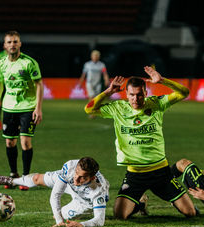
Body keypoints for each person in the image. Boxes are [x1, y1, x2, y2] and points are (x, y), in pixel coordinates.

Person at [84, 66, 197, 219]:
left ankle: (175, 192)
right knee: (120, 215)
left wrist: (163, 81)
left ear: (145, 92)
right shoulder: (118, 108)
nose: (135, 99)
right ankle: (140, 203)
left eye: (139, 95)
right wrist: (108, 91)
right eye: (131, 95)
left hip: (161, 172)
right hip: (135, 174)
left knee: (190, 212)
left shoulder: (157, 104)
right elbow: (89, 109)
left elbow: (184, 93)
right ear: (126, 94)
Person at [0, 30, 44, 191]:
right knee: (9, 142)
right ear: (4, 45)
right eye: (9, 42)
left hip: (28, 107)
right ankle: (13, 175)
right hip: (8, 108)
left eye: (15, 41)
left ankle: (26, 178)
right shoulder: (1, 64)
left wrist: (38, 108)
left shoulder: (29, 63)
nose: (12, 44)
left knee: (25, 142)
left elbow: (39, 84)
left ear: (20, 44)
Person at [0, 157, 109, 227]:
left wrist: (82, 224)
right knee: (37, 178)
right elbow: (55, 195)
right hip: (68, 183)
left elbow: (99, 220)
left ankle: (81, 213)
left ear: (92, 178)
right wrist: (59, 221)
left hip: (84, 201)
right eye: (77, 173)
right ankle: (12, 181)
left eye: (82, 177)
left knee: (61, 214)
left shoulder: (98, 191)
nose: (76, 179)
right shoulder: (70, 168)